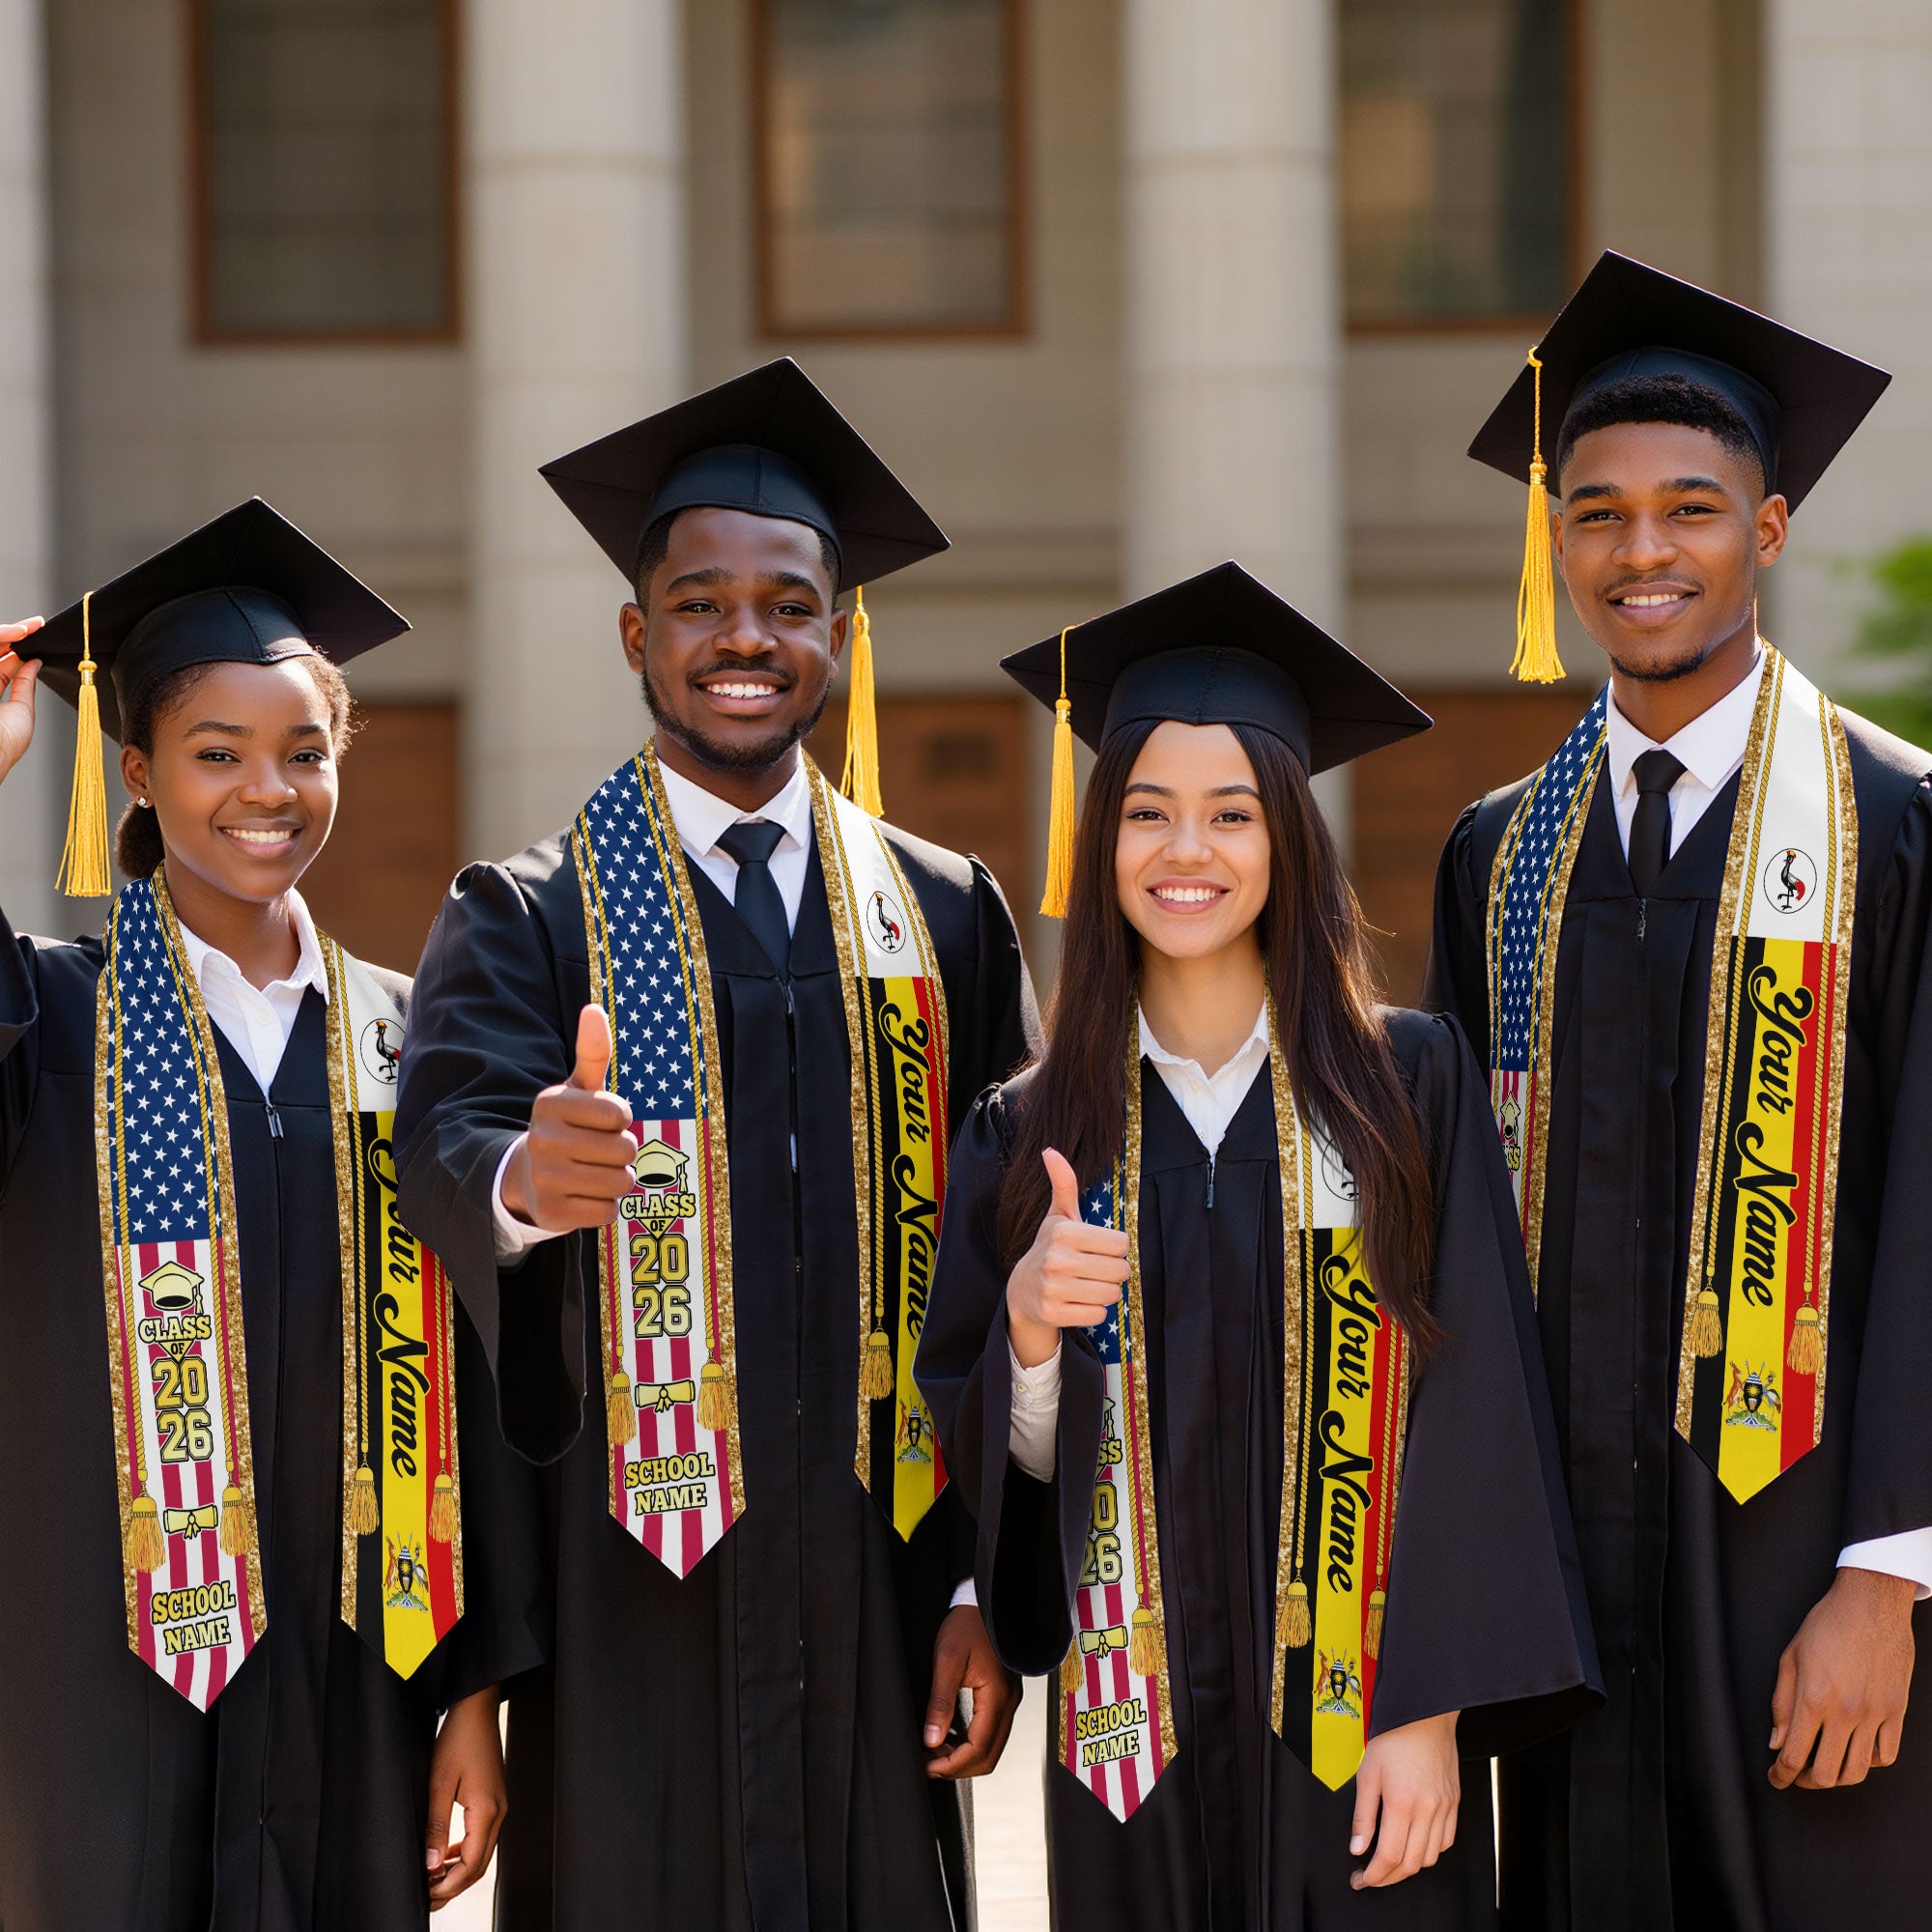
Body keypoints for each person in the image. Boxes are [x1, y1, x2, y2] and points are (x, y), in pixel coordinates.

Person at [392, 358, 1039, 1928]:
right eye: (698, 603)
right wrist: (523, 1184)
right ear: (638, 633)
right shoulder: (530, 915)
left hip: (883, 1592)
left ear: (840, 633)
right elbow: (443, 1146)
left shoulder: (941, 913)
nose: (744, 638)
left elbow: (1010, 1257)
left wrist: (980, 1587)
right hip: (633, 1604)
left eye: (788, 603)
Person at [917, 562, 1599, 1930]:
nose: (1188, 853)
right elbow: (994, 1469)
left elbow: (1480, 1408)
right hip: (1133, 1747)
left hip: (1364, 1734)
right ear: (1100, 841)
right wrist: (1033, 1342)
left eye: (1231, 814)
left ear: (1288, 838)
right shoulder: (1032, 1127)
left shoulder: (1410, 1088)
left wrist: (1429, 1708)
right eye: (1149, 813)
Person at [1427, 250, 1932, 1931]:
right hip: (1567, 1573)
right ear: (1555, 539)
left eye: (1692, 507)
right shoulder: (1500, 855)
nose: (1643, 551)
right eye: (1598, 511)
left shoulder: (1900, 826)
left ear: (1768, 531)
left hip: (1806, 1558)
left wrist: (1890, 1571)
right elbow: (1453, 1237)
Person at [0, 498, 546, 1931]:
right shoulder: (52, 1020)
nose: (268, 790)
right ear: (134, 771)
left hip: (357, 1672)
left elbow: (483, 1390)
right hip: (94, 1686)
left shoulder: (410, 1044)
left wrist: (476, 1699)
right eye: (216, 754)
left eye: (305, 753)